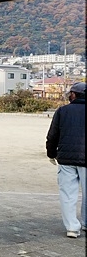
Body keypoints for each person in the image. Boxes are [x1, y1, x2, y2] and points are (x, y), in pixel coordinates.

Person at [46, 82, 86, 239]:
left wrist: (51, 154)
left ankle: (72, 228)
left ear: (74, 94)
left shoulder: (63, 111)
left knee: (68, 194)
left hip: (66, 159)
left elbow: (52, 135)